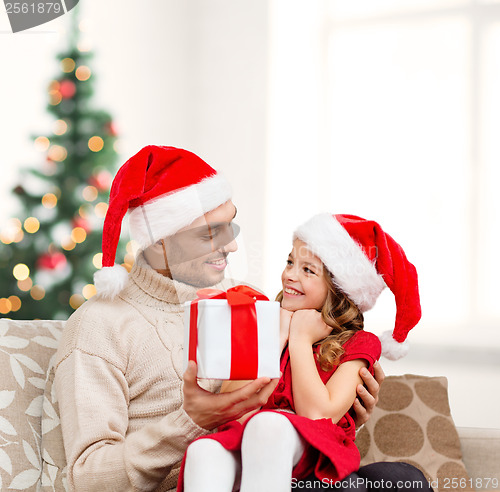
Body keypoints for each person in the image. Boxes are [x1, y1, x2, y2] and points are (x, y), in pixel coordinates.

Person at [54, 146, 382, 492]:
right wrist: (190, 422)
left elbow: (300, 404)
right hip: (199, 478)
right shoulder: (100, 326)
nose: (232, 246)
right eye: (210, 233)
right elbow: (87, 480)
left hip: (275, 475)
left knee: (400, 479)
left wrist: (343, 416)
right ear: (161, 242)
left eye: (231, 225)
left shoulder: (248, 297)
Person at [178, 213, 430, 492]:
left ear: (339, 289)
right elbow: (233, 411)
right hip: (248, 444)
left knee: (268, 425)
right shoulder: (263, 321)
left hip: (310, 452)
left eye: (308, 270)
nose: (290, 275)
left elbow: (317, 415)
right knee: (204, 451)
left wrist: (299, 337)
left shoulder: (360, 343)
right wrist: (276, 340)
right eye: (289, 262)